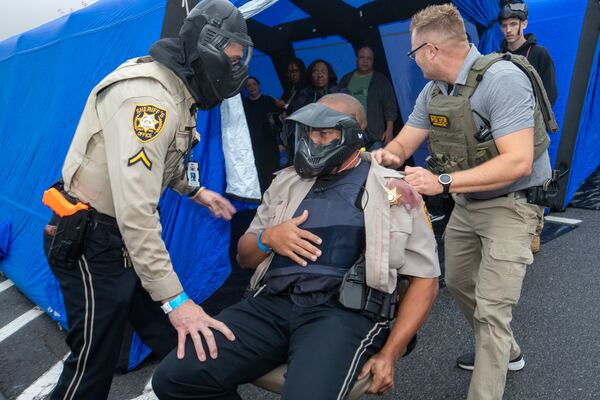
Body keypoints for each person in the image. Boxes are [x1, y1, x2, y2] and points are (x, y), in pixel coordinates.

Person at [152, 93, 440, 399]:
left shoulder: (394, 189)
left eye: (325, 132)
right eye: (308, 132)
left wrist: (391, 353)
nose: (313, 141)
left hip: (342, 313)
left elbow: (426, 280)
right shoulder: (286, 182)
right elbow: (245, 256)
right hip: (271, 305)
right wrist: (269, 238)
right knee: (175, 378)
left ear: (353, 133)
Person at [41, 1, 253, 398]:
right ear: (208, 46)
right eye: (234, 57)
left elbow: (160, 165)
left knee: (176, 339)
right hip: (92, 241)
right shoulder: (150, 100)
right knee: (92, 362)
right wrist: (177, 302)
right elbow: (135, 211)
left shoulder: (176, 89)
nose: (238, 67)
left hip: (120, 240)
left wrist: (197, 191)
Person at [372, 4, 553, 400]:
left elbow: (519, 161)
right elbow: (404, 142)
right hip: (469, 204)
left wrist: (442, 181)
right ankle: (507, 349)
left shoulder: (502, 80)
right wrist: (381, 158)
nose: (414, 59)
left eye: (413, 52)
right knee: (455, 282)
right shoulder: (435, 91)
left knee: (492, 310)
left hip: (513, 204)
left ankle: (489, 372)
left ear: (431, 50)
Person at [498, 0, 558, 253]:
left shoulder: (539, 54)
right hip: (504, 126)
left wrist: (539, 124)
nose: (509, 30)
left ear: (524, 24)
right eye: (505, 25)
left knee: (536, 179)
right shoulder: (499, 56)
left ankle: (536, 229)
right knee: (509, 177)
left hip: (532, 127)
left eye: (514, 24)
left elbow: (550, 94)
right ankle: (511, 226)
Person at [340, 45, 398, 150]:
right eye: (362, 57)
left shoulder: (381, 80)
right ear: (357, 59)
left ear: (373, 61)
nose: (365, 61)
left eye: (369, 58)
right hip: (350, 137)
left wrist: (389, 131)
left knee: (375, 165)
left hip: (375, 137)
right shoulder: (346, 79)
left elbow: (390, 106)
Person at [243, 76, 280, 193]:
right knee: (257, 176)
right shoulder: (244, 104)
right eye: (248, 86)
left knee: (272, 175)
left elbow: (278, 124)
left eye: (254, 84)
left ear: (259, 86)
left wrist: (280, 142)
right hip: (252, 147)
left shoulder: (269, 101)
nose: (252, 87)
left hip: (270, 145)